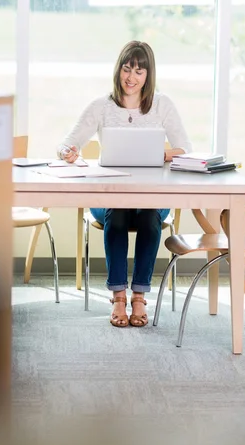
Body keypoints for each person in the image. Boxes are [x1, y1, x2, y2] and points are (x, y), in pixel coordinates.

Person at [58, 41, 192, 328]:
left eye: (140, 71)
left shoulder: (162, 105)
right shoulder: (101, 107)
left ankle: (140, 296)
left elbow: (185, 149)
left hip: (150, 197)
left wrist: (159, 153)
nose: (131, 77)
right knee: (115, 214)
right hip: (110, 197)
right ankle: (119, 295)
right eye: (127, 69)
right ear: (118, 70)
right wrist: (67, 153)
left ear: (148, 75)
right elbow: (66, 145)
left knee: (149, 216)